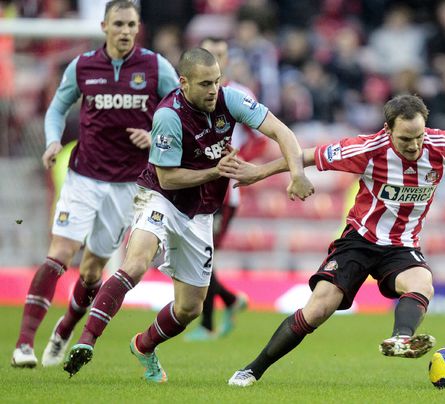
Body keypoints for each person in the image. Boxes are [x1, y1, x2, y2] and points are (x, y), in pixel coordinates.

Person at [223, 94, 445, 387]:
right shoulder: (367, 149)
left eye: (419, 136)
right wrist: (259, 172)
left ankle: (401, 338)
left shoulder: (442, 144)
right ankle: (252, 369)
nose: (414, 145)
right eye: (405, 139)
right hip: (359, 241)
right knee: (317, 310)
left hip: (401, 245)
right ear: (388, 130)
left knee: (422, 283)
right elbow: (306, 156)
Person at [61, 47, 314, 382]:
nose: (213, 90)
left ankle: (144, 345)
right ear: (183, 83)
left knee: (190, 308)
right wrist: (216, 171)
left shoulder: (230, 99)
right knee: (135, 264)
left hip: (200, 212)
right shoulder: (169, 115)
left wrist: (297, 173)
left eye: (217, 81)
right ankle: (87, 340)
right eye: (205, 83)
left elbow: (282, 132)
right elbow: (168, 178)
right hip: (160, 198)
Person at [11, 0, 179, 368]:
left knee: (91, 271)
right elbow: (57, 107)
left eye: (131, 24)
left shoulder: (155, 67)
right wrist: (52, 141)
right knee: (60, 251)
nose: (125, 31)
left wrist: (155, 135)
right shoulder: (84, 66)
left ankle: (65, 327)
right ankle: (23, 344)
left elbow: (180, 110)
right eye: (118, 24)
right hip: (83, 176)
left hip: (127, 186)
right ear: (104, 26)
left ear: (138, 28)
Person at [183, 37, 262, 342]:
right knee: (196, 254)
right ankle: (229, 300)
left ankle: (207, 323)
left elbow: (260, 138)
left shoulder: (238, 95)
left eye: (220, 54)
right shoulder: (186, 95)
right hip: (193, 185)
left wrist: (240, 161)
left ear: (226, 60)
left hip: (224, 191)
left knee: (204, 254)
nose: (215, 57)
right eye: (209, 52)